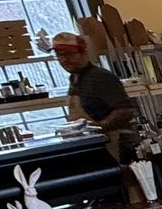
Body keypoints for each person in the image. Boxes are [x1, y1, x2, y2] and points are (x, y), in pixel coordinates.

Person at [51, 31, 137, 160]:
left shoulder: (101, 77)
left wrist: (96, 129)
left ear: (84, 53)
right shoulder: (74, 78)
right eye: (59, 55)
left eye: (69, 54)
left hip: (112, 145)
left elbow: (125, 111)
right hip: (92, 145)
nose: (64, 60)